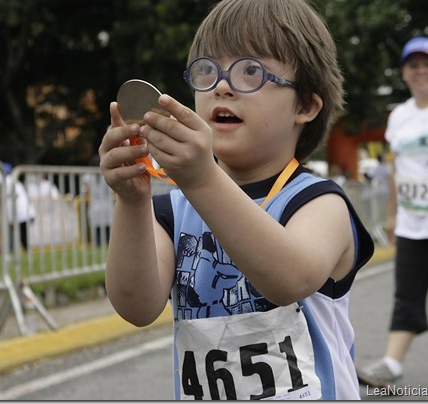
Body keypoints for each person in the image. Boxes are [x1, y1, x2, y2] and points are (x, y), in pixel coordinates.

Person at [99, 0, 374, 400]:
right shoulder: (171, 212)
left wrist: (201, 177)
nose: (222, 86)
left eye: (251, 71)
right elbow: (135, 306)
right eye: (207, 71)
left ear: (306, 106)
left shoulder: (319, 202)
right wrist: (132, 201)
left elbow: (289, 280)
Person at [356, 37, 428, 388]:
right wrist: (391, 215)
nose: (420, 71)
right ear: (404, 73)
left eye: (427, 63)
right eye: (413, 65)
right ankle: (391, 366)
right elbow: (396, 169)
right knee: (406, 295)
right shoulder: (400, 116)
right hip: (412, 225)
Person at [81, 154, 113, 246]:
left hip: (95, 206)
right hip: (107, 206)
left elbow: (85, 190)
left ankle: (98, 247)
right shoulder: (107, 174)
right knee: (108, 233)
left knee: (97, 233)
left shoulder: (87, 177)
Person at [3, 163, 36, 252]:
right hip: (23, 213)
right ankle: (22, 251)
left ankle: (21, 252)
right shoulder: (14, 181)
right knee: (21, 235)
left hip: (19, 214)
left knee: (21, 235)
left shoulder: (7, 181)